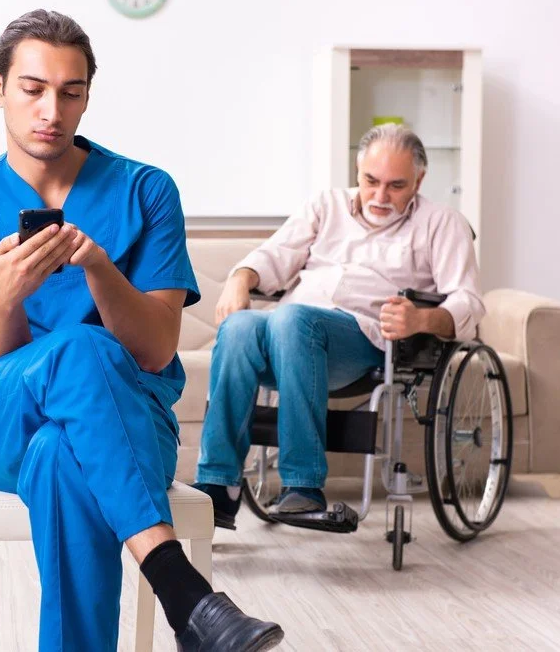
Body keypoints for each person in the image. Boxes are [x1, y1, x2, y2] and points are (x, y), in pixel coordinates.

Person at [0, 9, 283, 652]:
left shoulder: (146, 191)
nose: (51, 111)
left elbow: (156, 350)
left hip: (127, 419)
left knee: (61, 454)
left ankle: (184, 608)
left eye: (71, 92)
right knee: (80, 349)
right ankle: (182, 591)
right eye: (32, 89)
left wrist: (97, 267)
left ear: (88, 95)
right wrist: (6, 291)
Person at [192, 123, 484, 528]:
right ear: (357, 171)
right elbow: (274, 255)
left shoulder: (442, 223)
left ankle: (302, 485)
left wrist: (422, 318)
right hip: (288, 336)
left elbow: (468, 301)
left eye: (396, 186)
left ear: (419, 180)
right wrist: (239, 278)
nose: (380, 196)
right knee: (240, 326)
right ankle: (219, 485)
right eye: (371, 181)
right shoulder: (325, 206)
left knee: (293, 318)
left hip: (361, 342)